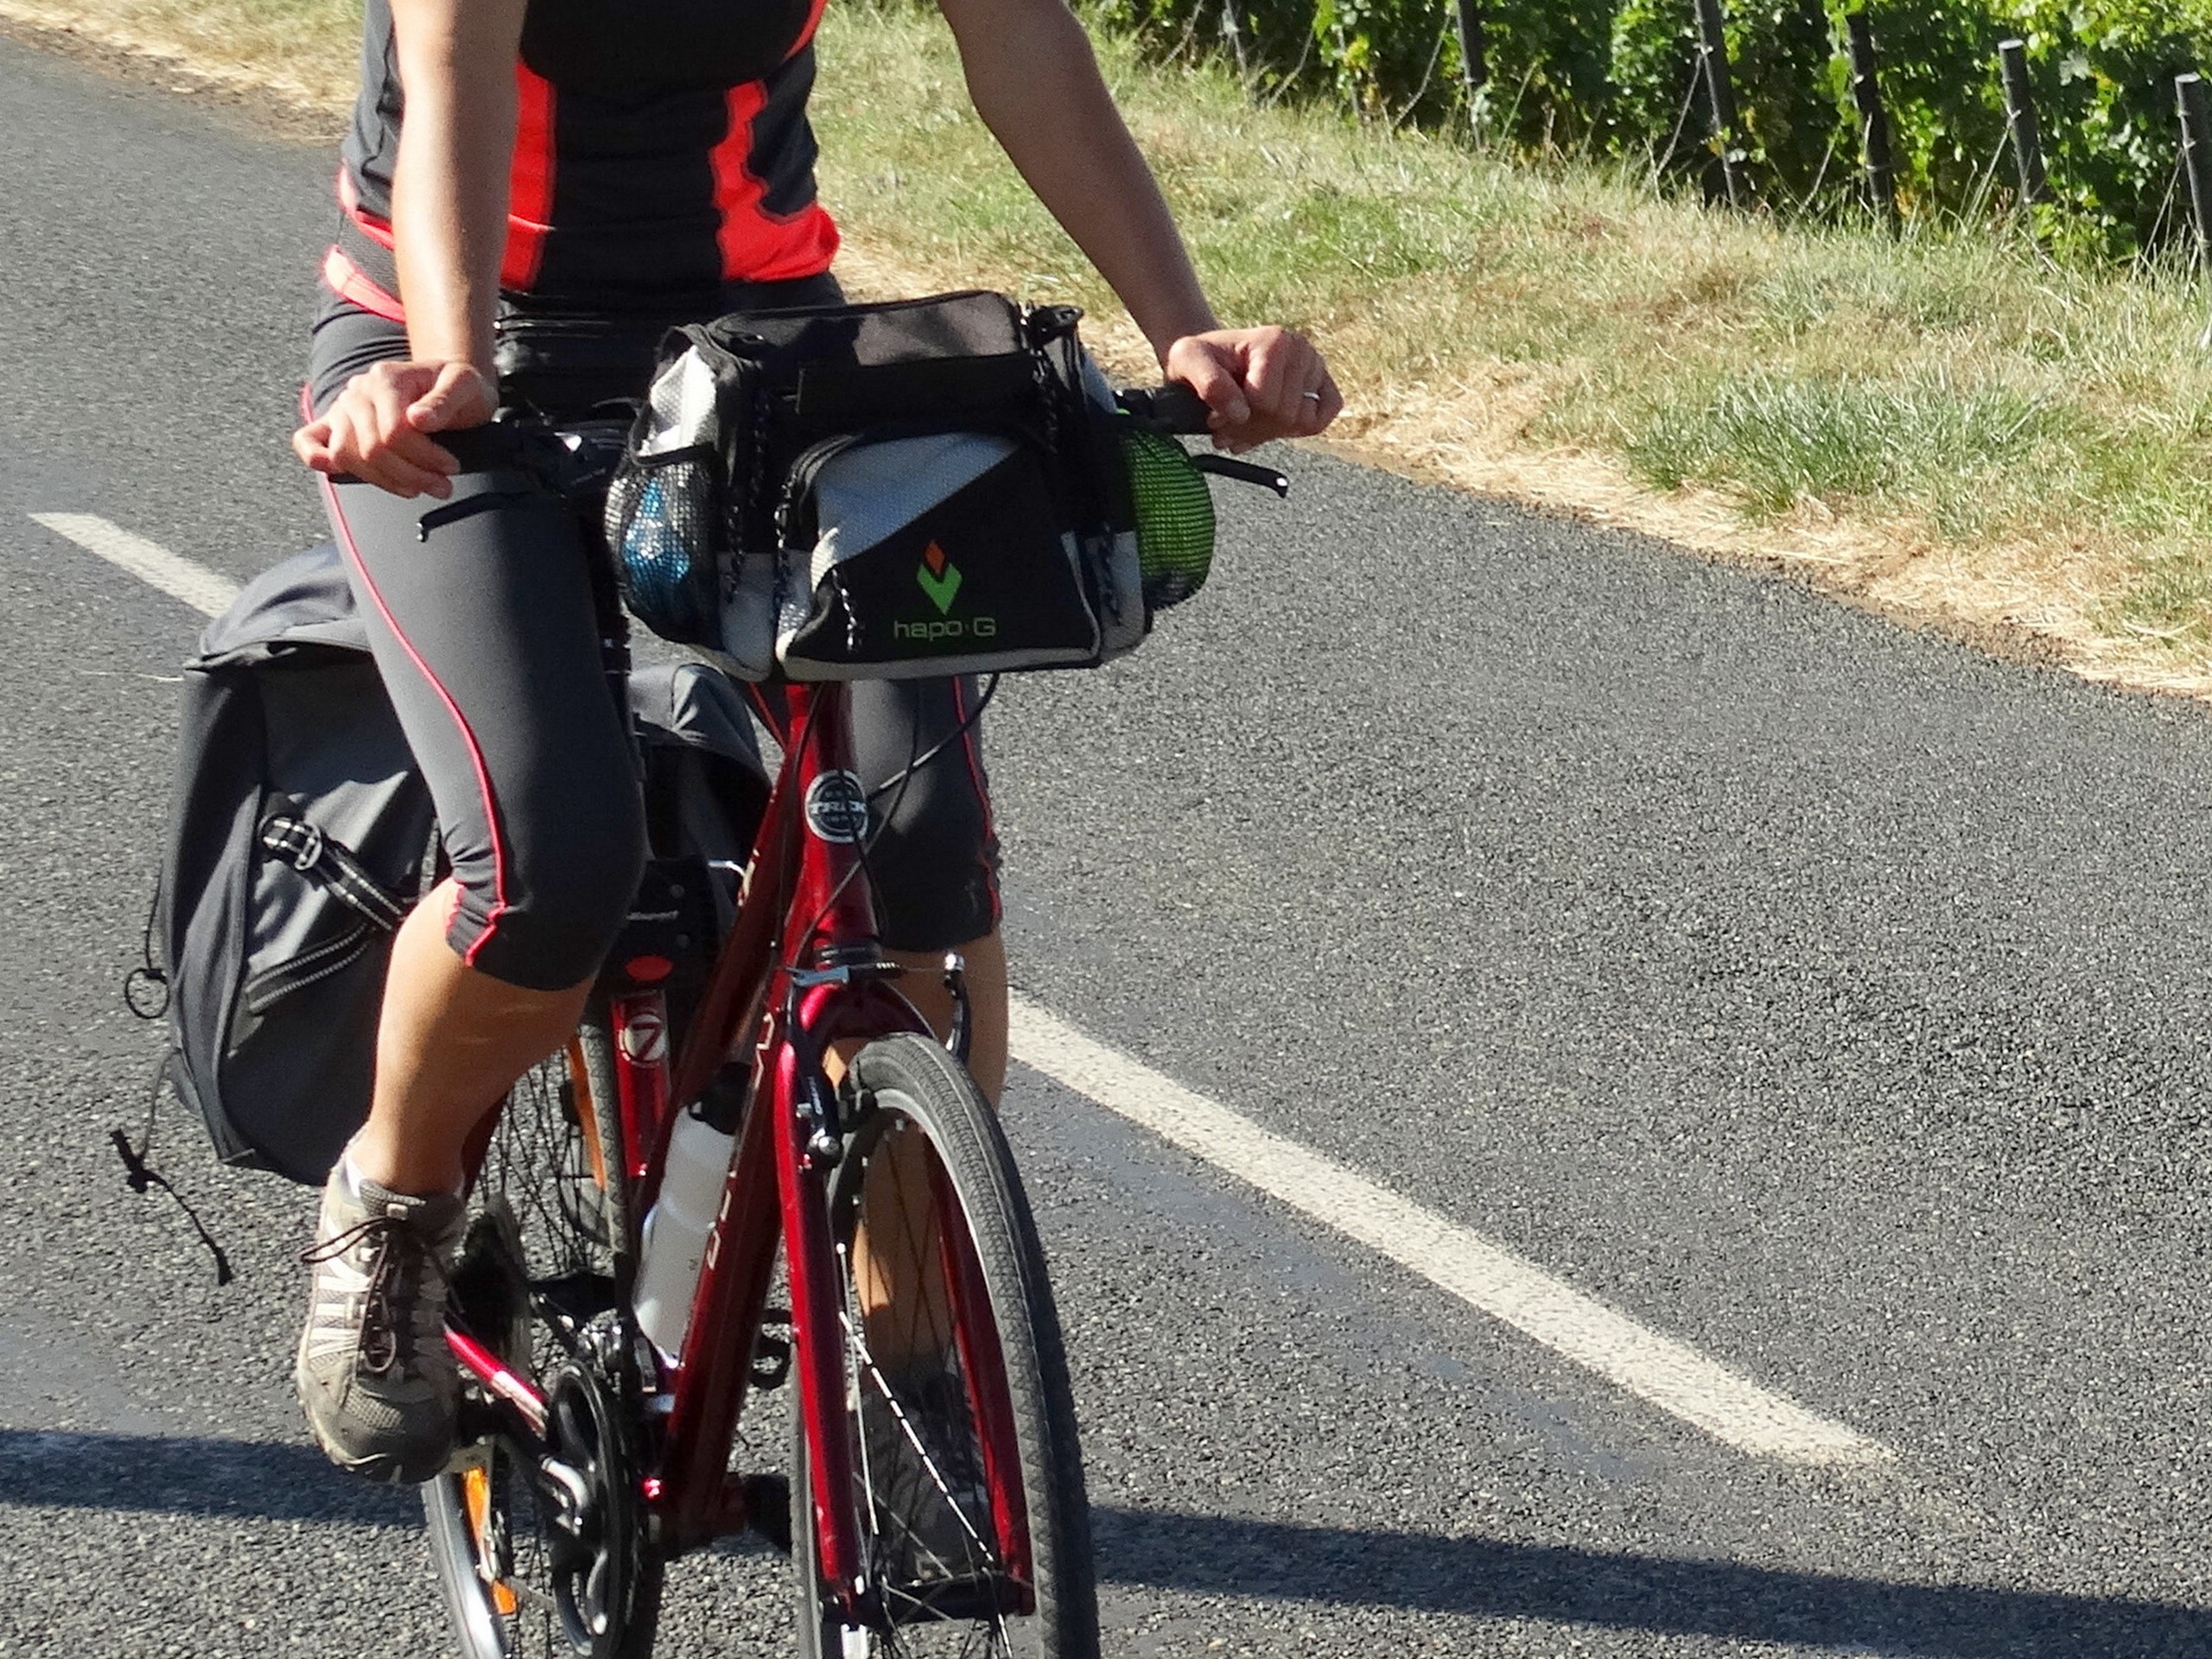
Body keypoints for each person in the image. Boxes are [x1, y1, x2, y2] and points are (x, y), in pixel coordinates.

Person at [289, 0, 1343, 1485]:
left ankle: (912, 1379)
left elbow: (1024, 52)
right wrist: (453, 366)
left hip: (763, 344)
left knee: (913, 869)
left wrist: (1186, 326)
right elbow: (452, 74)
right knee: (550, 861)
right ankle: (390, 1206)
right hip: (450, 337)